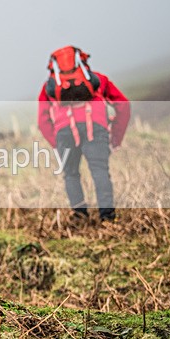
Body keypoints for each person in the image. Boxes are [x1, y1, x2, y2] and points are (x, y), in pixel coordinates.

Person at [37, 46, 130, 223]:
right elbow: (123, 105)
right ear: (82, 61)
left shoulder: (49, 88)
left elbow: (43, 121)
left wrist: (57, 143)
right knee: (100, 171)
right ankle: (108, 219)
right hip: (95, 128)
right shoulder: (98, 80)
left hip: (64, 133)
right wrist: (115, 138)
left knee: (71, 174)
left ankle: (80, 217)